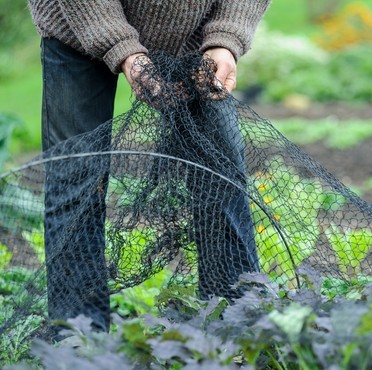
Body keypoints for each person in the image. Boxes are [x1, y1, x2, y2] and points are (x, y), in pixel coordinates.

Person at [28, 0, 271, 335]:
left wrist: (225, 38)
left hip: (195, 35)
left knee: (221, 169)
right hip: (77, 22)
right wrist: (122, 48)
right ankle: (77, 335)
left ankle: (237, 320)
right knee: (77, 175)